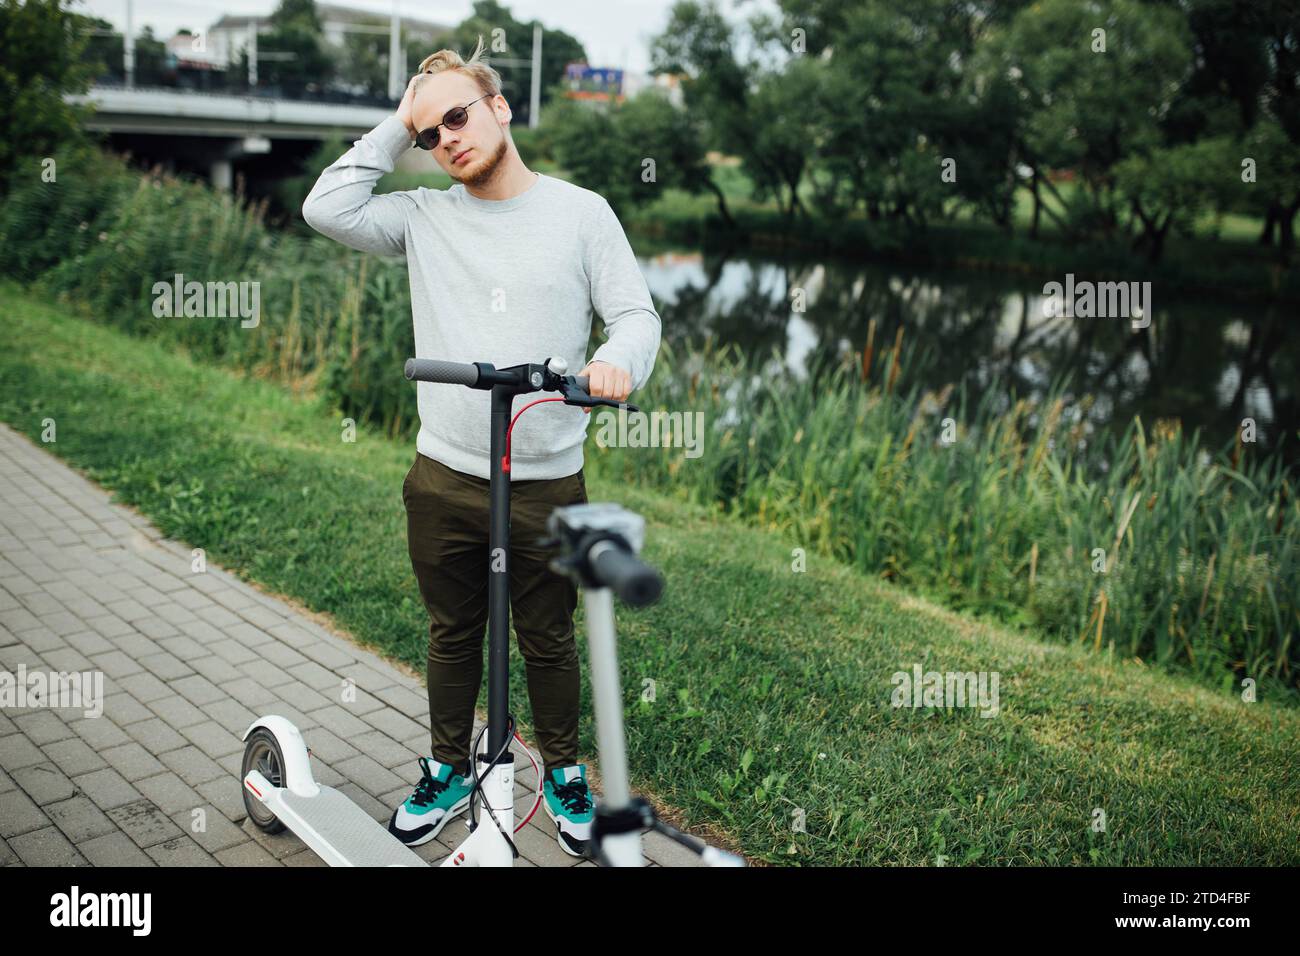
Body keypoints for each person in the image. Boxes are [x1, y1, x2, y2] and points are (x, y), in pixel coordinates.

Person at [301, 35, 661, 857]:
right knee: (451, 633)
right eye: (430, 135)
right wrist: (401, 122)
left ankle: (565, 777)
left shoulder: (580, 212)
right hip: (443, 475)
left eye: (457, 117)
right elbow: (327, 208)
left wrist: (614, 362)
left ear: (500, 108)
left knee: (548, 636)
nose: (446, 140)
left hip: (543, 481)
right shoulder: (422, 216)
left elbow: (636, 315)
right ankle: (448, 766)